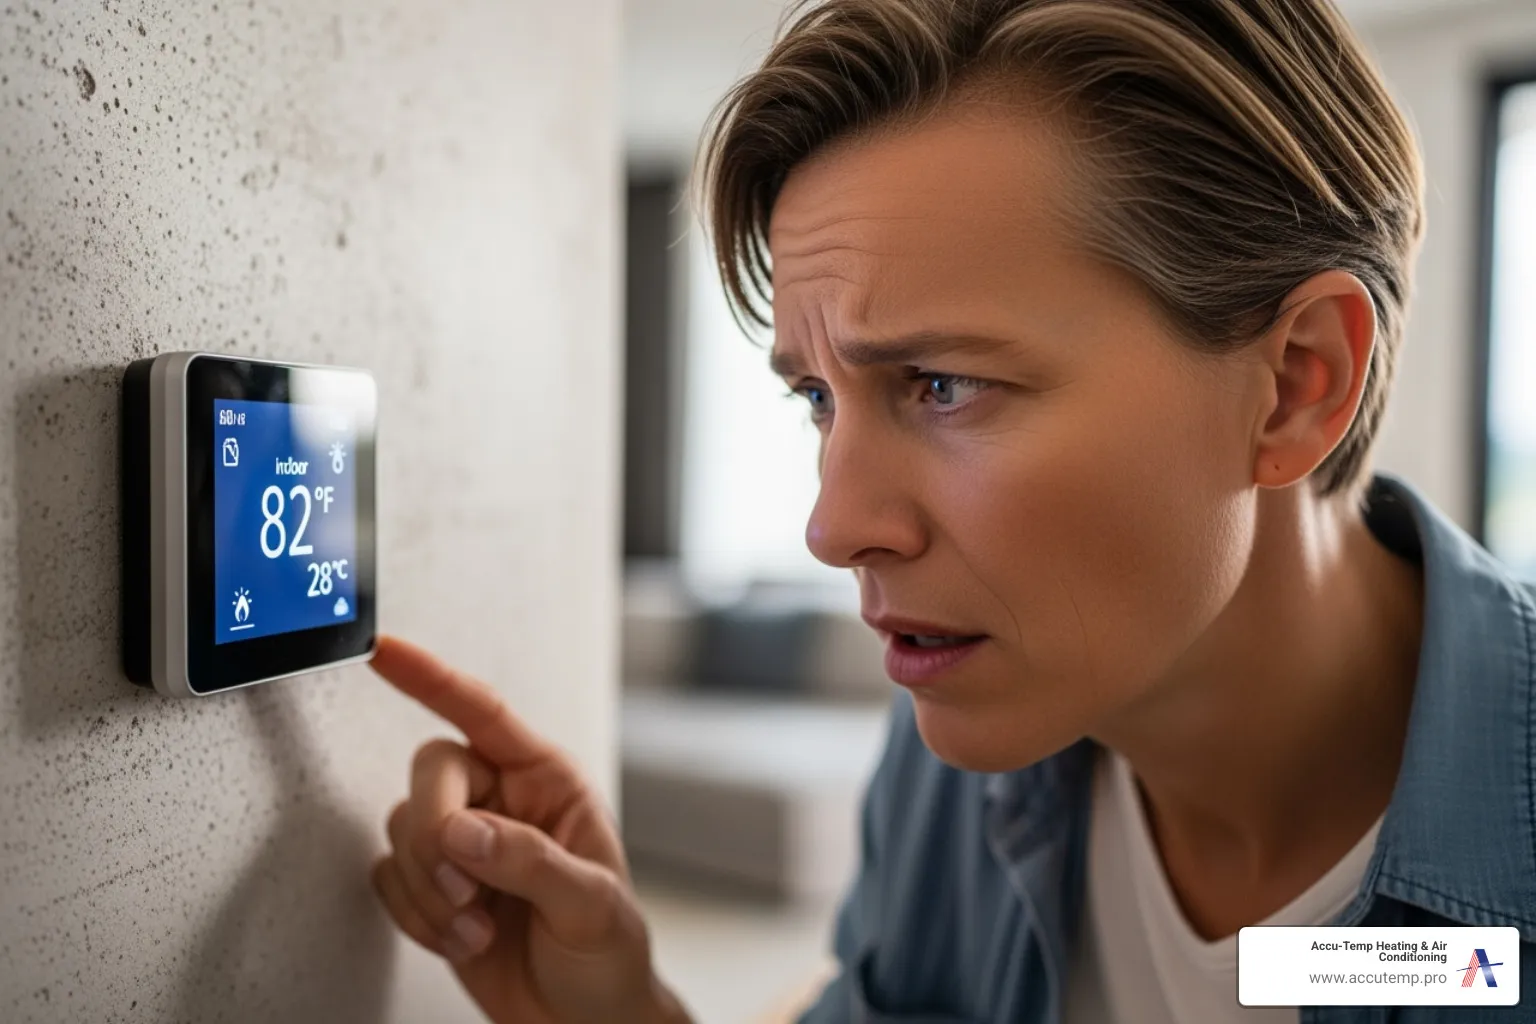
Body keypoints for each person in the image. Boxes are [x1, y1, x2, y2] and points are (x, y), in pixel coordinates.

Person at [367, 0, 1536, 1020]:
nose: (832, 530)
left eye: (942, 384)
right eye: (818, 398)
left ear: (1296, 385)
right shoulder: (962, 745)